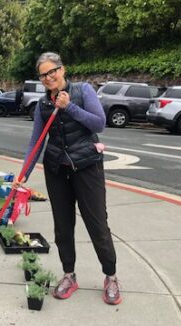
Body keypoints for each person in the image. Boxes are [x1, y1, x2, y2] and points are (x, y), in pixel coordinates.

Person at [12, 52, 121, 305]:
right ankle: (69, 275)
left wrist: (69, 106)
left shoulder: (84, 91)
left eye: (53, 71)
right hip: (57, 170)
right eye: (43, 74)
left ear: (63, 70)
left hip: (87, 168)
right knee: (62, 227)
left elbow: (99, 124)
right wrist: (24, 174)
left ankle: (111, 276)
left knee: (97, 225)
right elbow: (36, 141)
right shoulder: (42, 105)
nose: (49, 77)